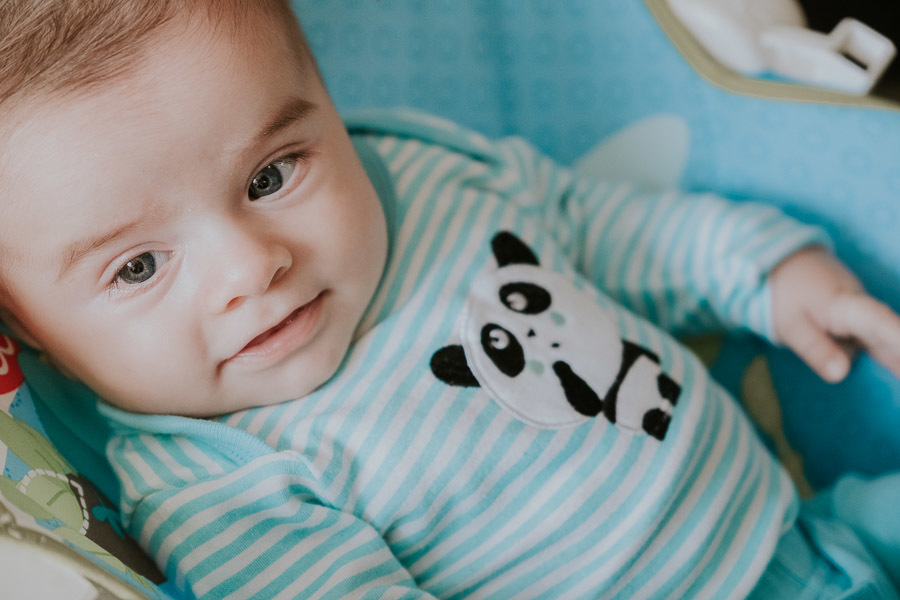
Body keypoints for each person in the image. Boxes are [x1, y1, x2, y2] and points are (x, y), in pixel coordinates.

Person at [1, 1, 898, 598]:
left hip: (805, 529)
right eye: (137, 268)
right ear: (28, 331)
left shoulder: (424, 177)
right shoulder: (217, 491)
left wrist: (763, 274)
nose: (251, 267)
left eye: (272, 175)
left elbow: (595, 224)